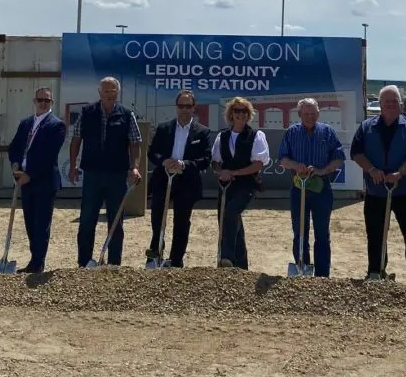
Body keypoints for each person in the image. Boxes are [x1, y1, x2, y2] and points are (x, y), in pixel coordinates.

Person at [350, 85, 406, 284]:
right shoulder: (367, 127)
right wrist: (372, 170)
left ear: (400, 104)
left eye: (395, 101)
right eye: (387, 102)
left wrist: (400, 173)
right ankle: (376, 271)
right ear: (380, 105)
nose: (391, 105)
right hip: (376, 192)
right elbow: (357, 153)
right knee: (375, 235)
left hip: (405, 192)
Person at [69, 77, 143, 267]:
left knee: (116, 220)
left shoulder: (127, 115)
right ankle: (84, 261)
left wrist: (134, 167)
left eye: (114, 92)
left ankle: (114, 263)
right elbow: (76, 139)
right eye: (107, 91)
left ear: (118, 93)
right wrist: (72, 165)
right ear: (100, 93)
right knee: (87, 219)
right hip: (92, 174)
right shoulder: (87, 113)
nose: (110, 95)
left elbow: (135, 143)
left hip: (116, 175)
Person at [278, 98, 345, 277]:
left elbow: (339, 157)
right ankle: (302, 267)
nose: (310, 117)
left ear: (318, 113)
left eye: (313, 113)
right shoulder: (291, 133)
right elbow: (282, 159)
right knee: (300, 231)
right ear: (300, 114)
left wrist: (323, 170)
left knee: (322, 233)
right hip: (298, 189)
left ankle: (322, 274)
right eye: (306, 114)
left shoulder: (328, 132)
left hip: (322, 189)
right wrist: (295, 165)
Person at [145, 89, 212, 268]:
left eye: (188, 106)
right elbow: (152, 153)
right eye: (181, 106)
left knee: (181, 221)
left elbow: (206, 160)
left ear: (194, 108)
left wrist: (184, 165)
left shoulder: (203, 132)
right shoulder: (163, 127)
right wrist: (164, 161)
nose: (184, 109)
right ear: (176, 107)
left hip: (187, 181)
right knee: (157, 217)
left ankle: (176, 259)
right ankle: (155, 253)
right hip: (163, 178)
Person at [9, 87, 67, 273]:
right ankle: (34, 258)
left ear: (52, 103)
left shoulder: (57, 125)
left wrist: (30, 174)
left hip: (43, 181)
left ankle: (38, 262)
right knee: (29, 222)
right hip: (24, 180)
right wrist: (16, 165)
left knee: (41, 223)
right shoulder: (26, 123)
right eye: (40, 99)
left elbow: (48, 155)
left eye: (47, 101)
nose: (43, 103)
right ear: (34, 101)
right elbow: (15, 146)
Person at [212, 97, 270, 269]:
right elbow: (215, 161)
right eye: (237, 111)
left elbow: (259, 164)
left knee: (230, 212)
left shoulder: (256, 136)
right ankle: (241, 266)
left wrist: (234, 173)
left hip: (246, 185)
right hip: (225, 185)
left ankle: (226, 256)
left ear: (249, 114)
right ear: (231, 114)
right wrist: (221, 172)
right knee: (228, 219)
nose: (240, 114)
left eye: (244, 111)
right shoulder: (222, 136)